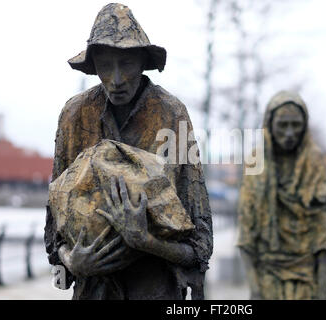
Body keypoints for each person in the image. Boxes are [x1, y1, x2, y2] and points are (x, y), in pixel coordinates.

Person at [44, 3, 212, 300]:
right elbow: (56, 216)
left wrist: (146, 241)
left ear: (142, 61)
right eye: (106, 65)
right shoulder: (75, 115)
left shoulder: (171, 114)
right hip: (93, 290)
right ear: (94, 65)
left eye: (127, 64)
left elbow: (198, 242)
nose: (117, 79)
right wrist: (71, 261)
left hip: (155, 289)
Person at [237, 91, 326, 300]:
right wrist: (254, 289)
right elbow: (246, 233)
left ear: (304, 126)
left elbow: (322, 233)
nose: (289, 133)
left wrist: (323, 287)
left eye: (295, 124)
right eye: (282, 125)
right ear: (270, 125)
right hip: (267, 274)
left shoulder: (314, 162)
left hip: (306, 275)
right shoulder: (256, 161)